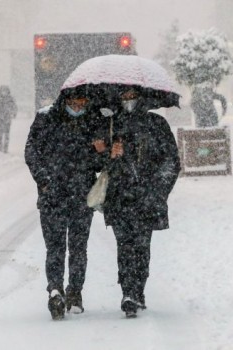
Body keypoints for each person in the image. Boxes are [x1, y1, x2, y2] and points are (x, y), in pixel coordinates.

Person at [93, 86, 180, 318]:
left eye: (133, 96)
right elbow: (98, 164)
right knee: (124, 246)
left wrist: (158, 190)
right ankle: (128, 292)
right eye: (124, 96)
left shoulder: (156, 124)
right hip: (119, 197)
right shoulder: (110, 125)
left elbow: (171, 160)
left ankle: (138, 289)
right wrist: (108, 154)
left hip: (146, 198)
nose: (128, 100)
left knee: (141, 247)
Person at [24, 87, 102, 320]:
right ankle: (55, 290)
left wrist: (100, 151)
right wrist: (44, 180)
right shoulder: (46, 118)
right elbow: (31, 151)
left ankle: (75, 292)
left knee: (78, 248)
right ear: (66, 99)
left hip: (81, 196)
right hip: (53, 197)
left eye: (82, 104)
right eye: (75, 103)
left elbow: (98, 164)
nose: (79, 108)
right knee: (56, 247)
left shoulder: (93, 119)